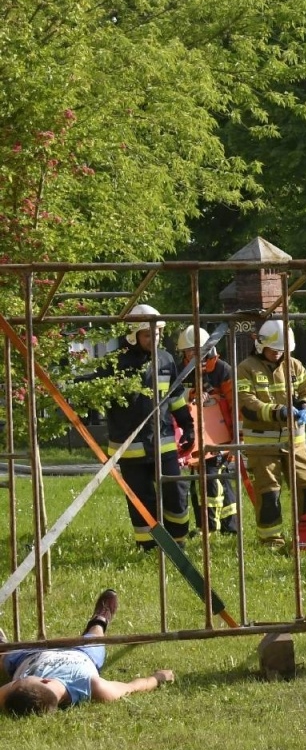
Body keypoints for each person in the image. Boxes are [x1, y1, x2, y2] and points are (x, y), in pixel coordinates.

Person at [93, 304, 194, 549]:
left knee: (176, 492)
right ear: (133, 335)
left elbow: (176, 396)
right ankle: (148, 545)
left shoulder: (167, 360)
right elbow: (99, 398)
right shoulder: (115, 364)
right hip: (130, 449)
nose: (154, 338)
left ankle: (177, 540)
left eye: (157, 333)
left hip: (164, 443)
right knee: (141, 500)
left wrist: (187, 426)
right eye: (148, 334)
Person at [0, 590, 176, 717]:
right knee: (95, 638)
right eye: (16, 683)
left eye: (14, 683)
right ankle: (100, 619)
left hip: (27, 656)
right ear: (45, 680)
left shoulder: (20, 689)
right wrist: (157, 678)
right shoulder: (92, 685)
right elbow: (131, 687)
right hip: (82, 654)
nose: (12, 684)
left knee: (5, 656)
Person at [235, 319, 306, 546]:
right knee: (269, 492)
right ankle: (272, 541)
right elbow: (247, 404)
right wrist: (279, 412)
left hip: (295, 442)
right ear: (261, 345)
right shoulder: (246, 368)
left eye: (283, 350)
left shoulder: (294, 365)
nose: (278, 354)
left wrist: (305, 406)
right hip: (261, 444)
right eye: (274, 350)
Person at [174, 324, 239, 535]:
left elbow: (234, 403)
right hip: (194, 436)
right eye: (190, 351)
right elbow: (175, 400)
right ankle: (224, 526)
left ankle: (214, 527)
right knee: (200, 482)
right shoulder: (181, 373)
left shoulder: (222, 370)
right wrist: (192, 396)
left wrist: (236, 437)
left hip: (220, 436)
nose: (194, 355)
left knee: (214, 477)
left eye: (198, 350)